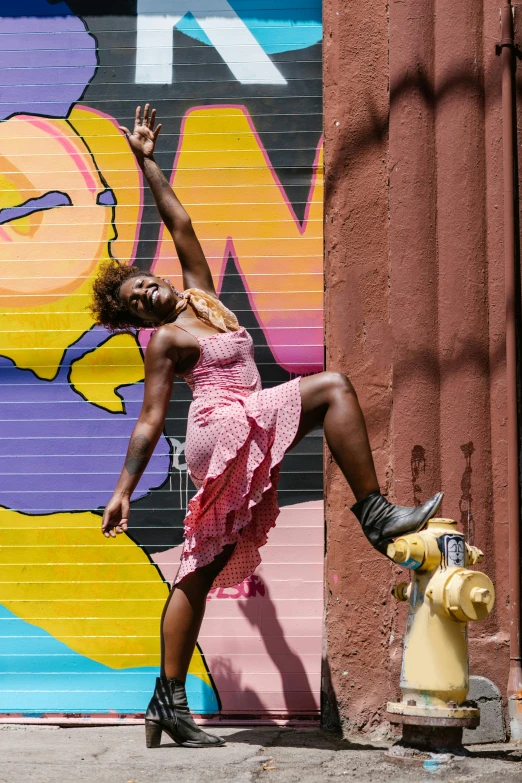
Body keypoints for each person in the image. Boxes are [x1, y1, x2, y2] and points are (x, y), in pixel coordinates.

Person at [91, 105, 442, 749]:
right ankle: (376, 514)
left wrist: (146, 161)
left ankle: (163, 703)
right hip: (220, 430)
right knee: (333, 388)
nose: (148, 294)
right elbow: (148, 422)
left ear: (158, 274)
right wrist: (122, 489)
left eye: (145, 283)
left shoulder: (203, 297)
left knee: (202, 565)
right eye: (137, 302)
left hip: (244, 423)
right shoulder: (168, 340)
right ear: (138, 320)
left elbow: (183, 221)